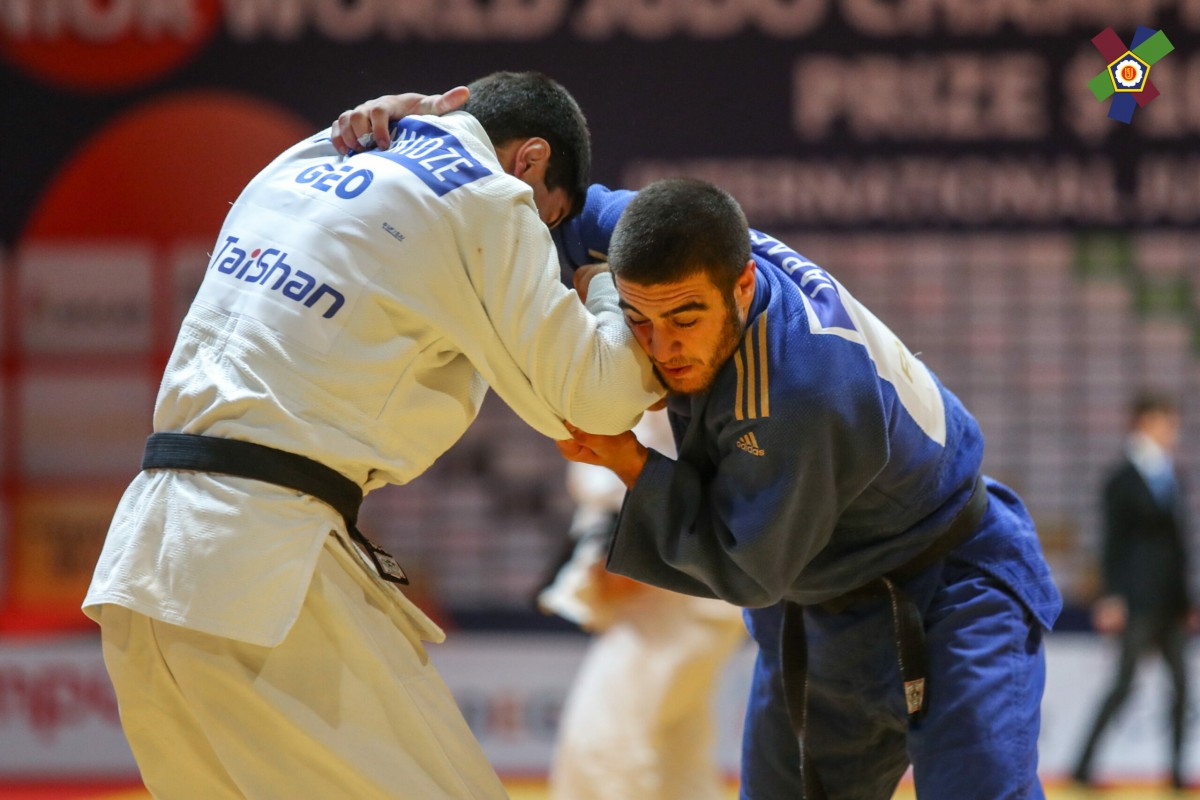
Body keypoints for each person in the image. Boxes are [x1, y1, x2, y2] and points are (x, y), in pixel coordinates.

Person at [82, 73, 662, 799]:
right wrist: (603, 281)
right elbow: (596, 400)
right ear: (531, 161)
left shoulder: (308, 156)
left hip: (142, 562)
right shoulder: (488, 195)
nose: (545, 241)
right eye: (552, 218)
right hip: (259, 567)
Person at [555, 179, 1063, 799]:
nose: (663, 347)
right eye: (640, 320)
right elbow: (562, 215)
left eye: (685, 319)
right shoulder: (678, 240)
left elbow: (748, 570)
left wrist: (631, 461)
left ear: (742, 285)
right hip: (817, 600)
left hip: (947, 586)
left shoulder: (800, 390)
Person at [537, 408, 746, 800]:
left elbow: (640, 486)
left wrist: (631, 557)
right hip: (697, 593)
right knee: (676, 755)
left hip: (674, 598)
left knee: (602, 744)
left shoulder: (666, 400)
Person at [1072, 391, 1195, 790]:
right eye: (1166, 422)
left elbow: (1178, 545)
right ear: (1146, 422)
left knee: (1182, 688)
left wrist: (1187, 600)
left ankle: (1177, 773)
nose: (1173, 430)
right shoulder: (1122, 479)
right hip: (1137, 598)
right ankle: (1083, 766)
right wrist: (1111, 595)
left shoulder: (1171, 476)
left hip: (1169, 600)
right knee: (1124, 684)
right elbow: (1113, 542)